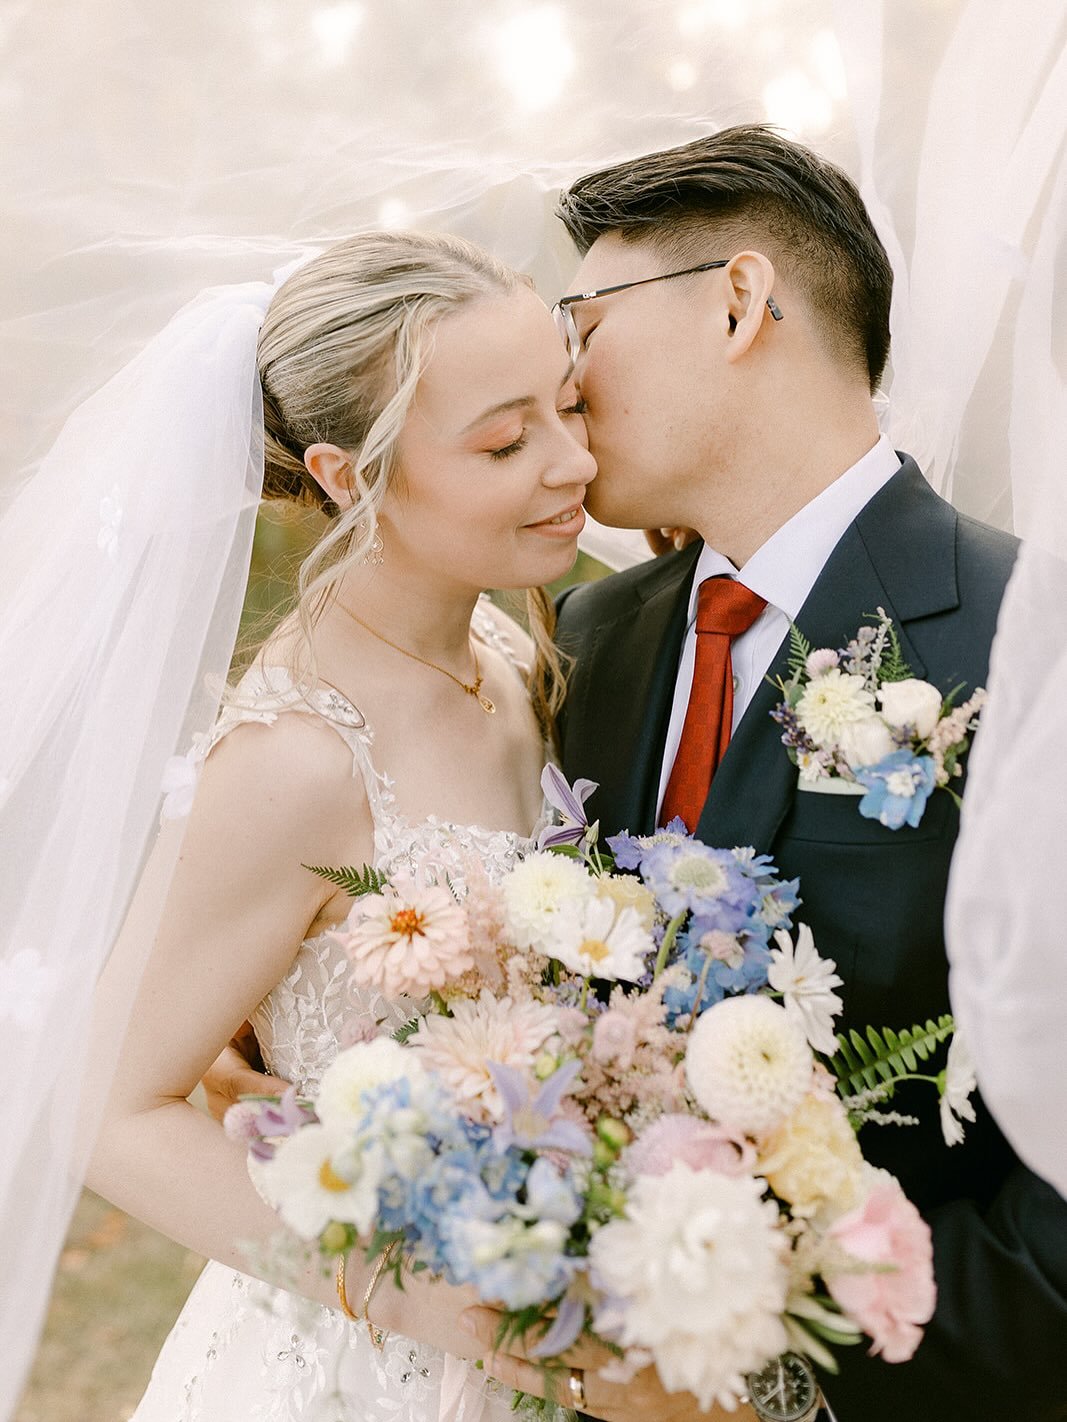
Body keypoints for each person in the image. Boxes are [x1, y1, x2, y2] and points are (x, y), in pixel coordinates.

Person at [455, 128, 1067, 1421]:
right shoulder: (587, 637)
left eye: (581, 321)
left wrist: (766, 1363)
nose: (560, 382)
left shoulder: (1028, 638)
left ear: (737, 303)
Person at [82, 228, 596, 1421]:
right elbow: (106, 1115)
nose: (572, 462)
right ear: (348, 475)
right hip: (355, 1366)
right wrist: (416, 1297)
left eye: (568, 405)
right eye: (507, 440)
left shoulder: (513, 659)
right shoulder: (296, 760)